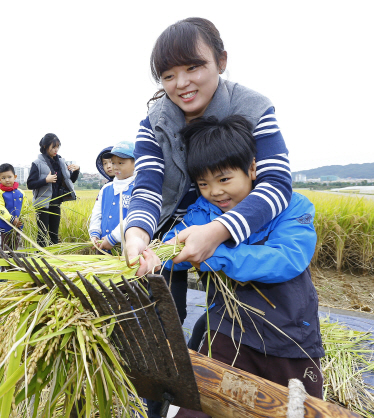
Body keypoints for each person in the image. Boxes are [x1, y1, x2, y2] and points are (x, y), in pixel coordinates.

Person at [124, 17, 293, 328]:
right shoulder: (154, 121)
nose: (182, 83)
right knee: (161, 318)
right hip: (171, 236)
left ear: (221, 61)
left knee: (236, 321)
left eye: (193, 68)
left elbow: (277, 184)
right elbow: (148, 188)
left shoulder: (253, 108)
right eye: (168, 75)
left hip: (243, 230)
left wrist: (217, 231)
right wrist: (136, 234)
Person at [164, 115, 323, 417]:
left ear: (252, 168)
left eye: (224, 179)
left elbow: (286, 259)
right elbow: (176, 244)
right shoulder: (202, 212)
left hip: (290, 336)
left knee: (297, 410)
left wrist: (215, 250)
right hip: (229, 332)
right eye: (203, 184)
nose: (216, 192)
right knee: (203, 405)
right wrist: (156, 254)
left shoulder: (292, 206)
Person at [26, 133, 80, 247]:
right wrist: (46, 180)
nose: (56, 150)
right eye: (53, 147)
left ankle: (53, 260)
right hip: (42, 204)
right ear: (45, 146)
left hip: (56, 202)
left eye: (58, 147)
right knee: (42, 235)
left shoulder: (61, 162)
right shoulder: (37, 163)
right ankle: (40, 260)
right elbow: (30, 184)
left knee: (54, 235)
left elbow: (71, 180)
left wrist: (76, 170)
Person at [88, 142, 136, 252]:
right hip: (102, 249)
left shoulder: (138, 189)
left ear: (135, 163)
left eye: (120, 163)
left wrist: (113, 238)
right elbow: (97, 214)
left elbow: (133, 217)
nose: (115, 167)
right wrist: (94, 234)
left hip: (126, 252)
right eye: (113, 163)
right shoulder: (106, 189)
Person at [0, 163, 24, 251]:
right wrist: (12, 219)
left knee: (14, 250)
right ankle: (1, 265)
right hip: (3, 228)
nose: (7, 180)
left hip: (17, 228)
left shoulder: (21, 192)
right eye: (3, 178)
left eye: (9, 177)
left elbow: (25, 207)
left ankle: (11, 265)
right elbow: (0, 208)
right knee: (2, 251)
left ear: (15, 177)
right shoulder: (0, 193)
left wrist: (21, 219)